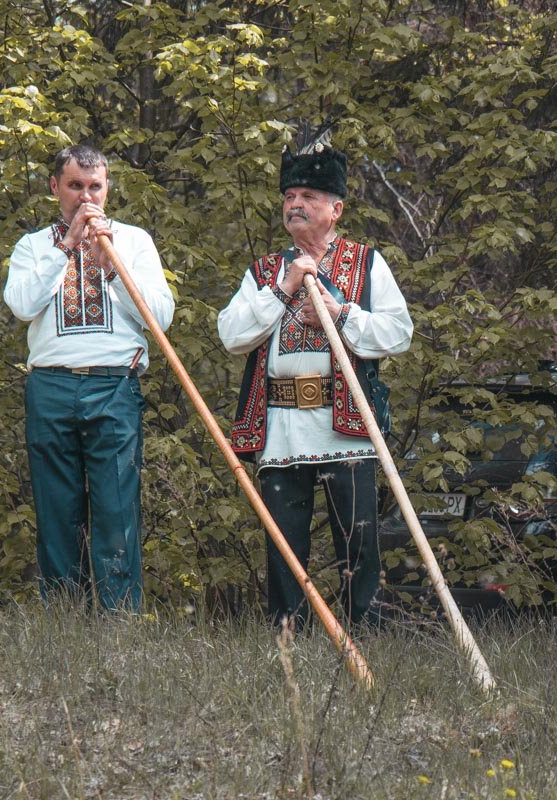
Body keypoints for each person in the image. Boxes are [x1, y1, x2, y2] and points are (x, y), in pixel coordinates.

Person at [217, 137, 413, 629]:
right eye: (288, 197)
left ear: (336, 208)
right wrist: (282, 291)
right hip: (282, 430)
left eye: (308, 196)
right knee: (285, 546)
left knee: (358, 544)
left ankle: (362, 637)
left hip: (345, 429)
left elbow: (398, 333)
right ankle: (289, 641)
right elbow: (231, 335)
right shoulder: (265, 271)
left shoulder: (367, 264)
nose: (296, 205)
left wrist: (340, 312)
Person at [3, 143, 174, 611]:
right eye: (75, 186)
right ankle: (64, 622)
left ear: (107, 188)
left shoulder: (134, 241)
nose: (85, 197)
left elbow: (161, 316)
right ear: (55, 186)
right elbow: (20, 306)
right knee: (57, 509)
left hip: (114, 385)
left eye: (94, 186)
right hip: (51, 386)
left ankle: (119, 622)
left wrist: (111, 268)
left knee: (116, 509)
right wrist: (65, 249)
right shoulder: (33, 245)